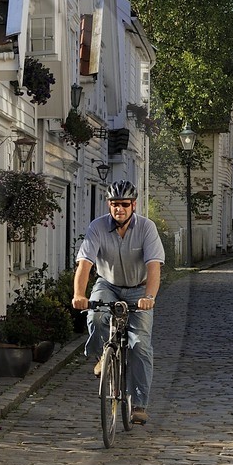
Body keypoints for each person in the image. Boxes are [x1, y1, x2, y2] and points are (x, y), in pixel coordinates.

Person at [71, 179, 164, 424]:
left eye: (124, 204)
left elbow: (154, 267)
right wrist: (79, 295)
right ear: (108, 205)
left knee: (140, 346)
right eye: (114, 204)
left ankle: (139, 404)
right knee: (96, 315)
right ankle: (103, 354)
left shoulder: (147, 228)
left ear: (133, 205)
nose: (119, 209)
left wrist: (149, 297)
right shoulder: (97, 227)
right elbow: (85, 265)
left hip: (138, 288)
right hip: (108, 284)